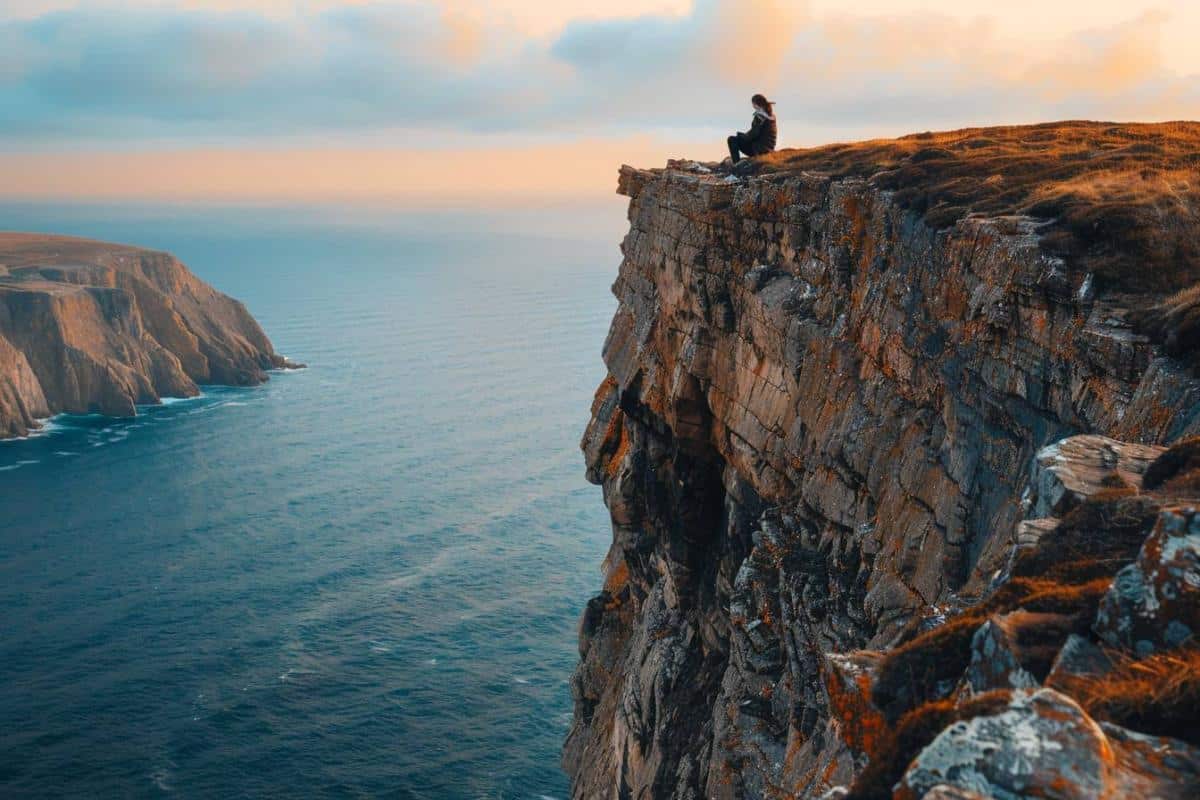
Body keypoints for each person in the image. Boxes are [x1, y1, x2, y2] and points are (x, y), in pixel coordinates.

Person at [727, 94, 777, 164]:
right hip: (768, 148)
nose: (752, 105)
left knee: (732, 139)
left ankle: (736, 164)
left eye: (752, 103)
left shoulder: (760, 116)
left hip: (759, 149)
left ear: (756, 104)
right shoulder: (771, 115)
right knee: (739, 138)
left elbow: (753, 134)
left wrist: (740, 136)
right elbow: (757, 133)